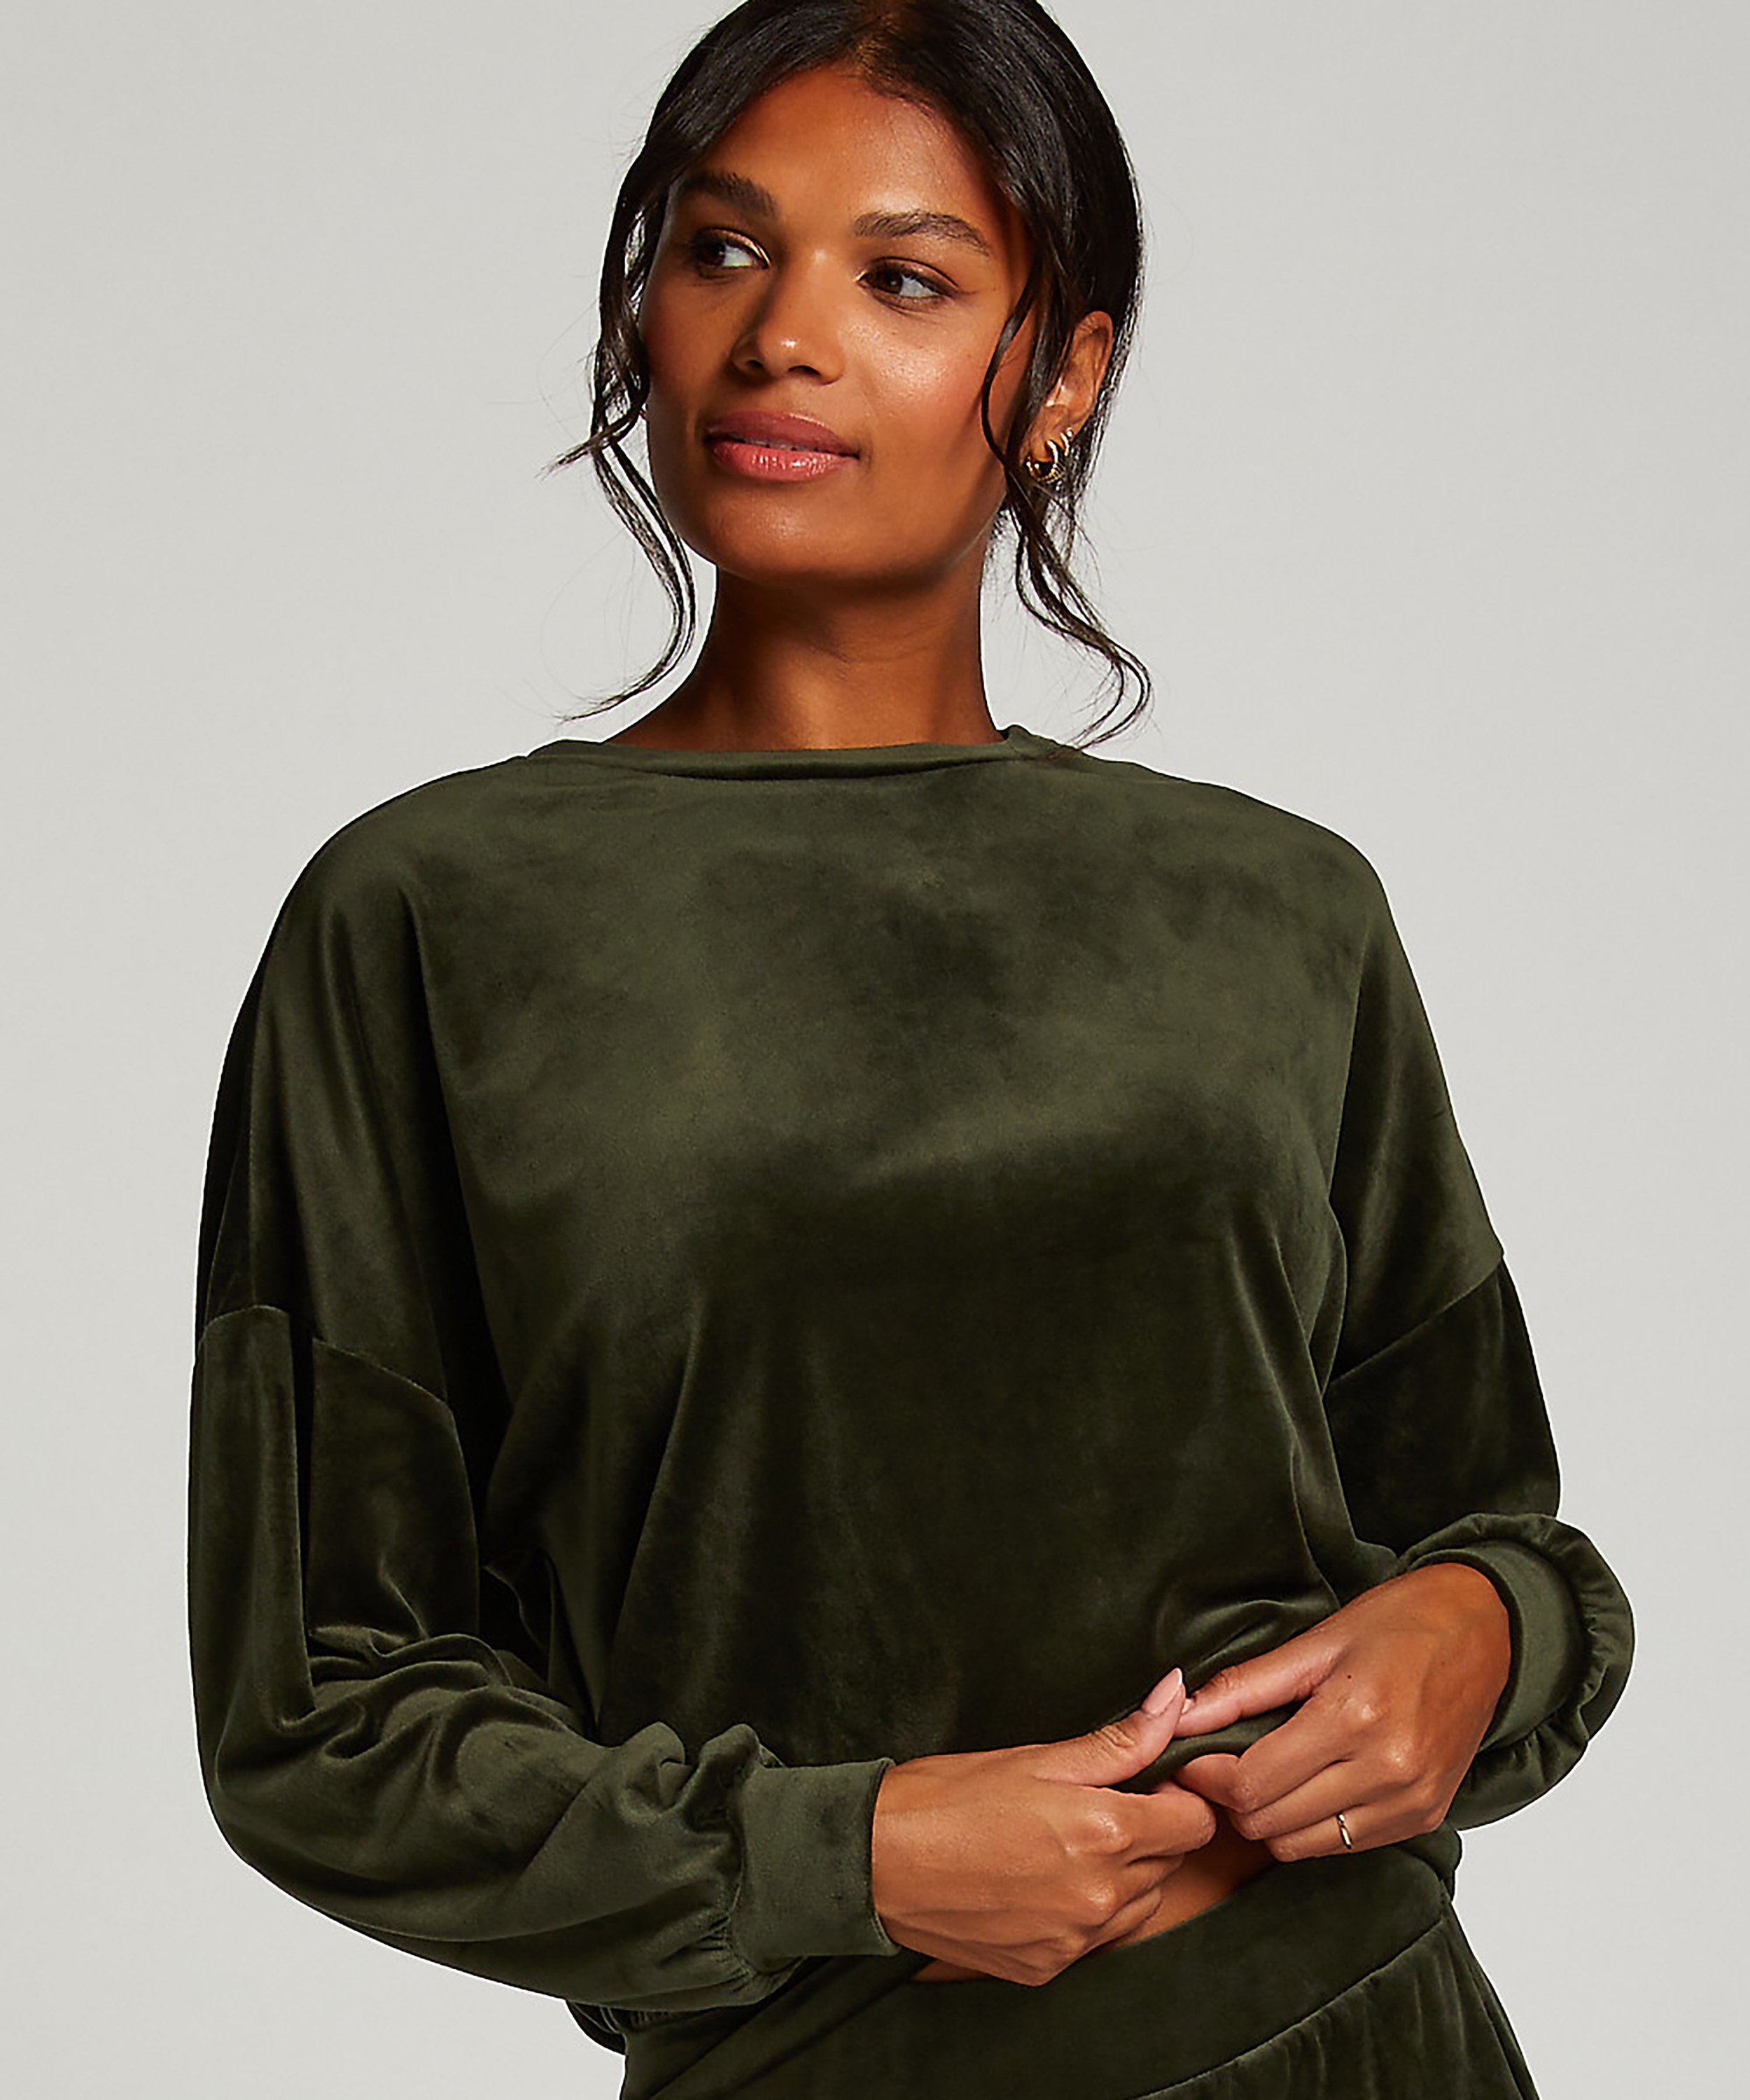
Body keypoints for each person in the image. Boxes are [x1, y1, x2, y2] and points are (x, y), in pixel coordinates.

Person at [186, 3, 1634, 2094]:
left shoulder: (1276, 910)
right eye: (720, 250)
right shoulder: (425, 920)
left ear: (1063, 373)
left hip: (1357, 2028)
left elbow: (1494, 1529)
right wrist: (843, 1858)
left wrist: (1479, 1634)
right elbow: (317, 1716)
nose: (782, 337)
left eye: (904, 279)